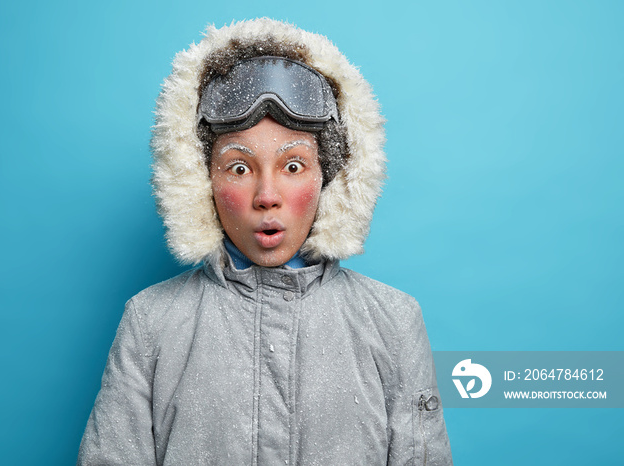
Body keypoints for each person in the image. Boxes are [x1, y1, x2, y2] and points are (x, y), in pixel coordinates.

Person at [78, 18, 452, 465]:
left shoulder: (393, 323)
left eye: (293, 166)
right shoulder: (151, 324)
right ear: (200, 180)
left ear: (329, 177)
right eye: (239, 167)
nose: (267, 196)